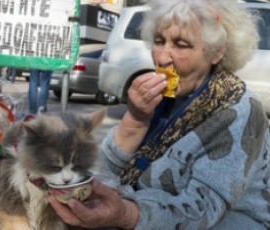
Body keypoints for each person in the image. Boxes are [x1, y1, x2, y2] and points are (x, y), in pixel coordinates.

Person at [48, 0, 270, 229]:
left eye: (181, 44)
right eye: (159, 41)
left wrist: (125, 214)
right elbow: (102, 170)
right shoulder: (163, 99)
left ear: (216, 53)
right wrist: (134, 120)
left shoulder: (238, 111)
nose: (163, 58)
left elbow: (200, 211)